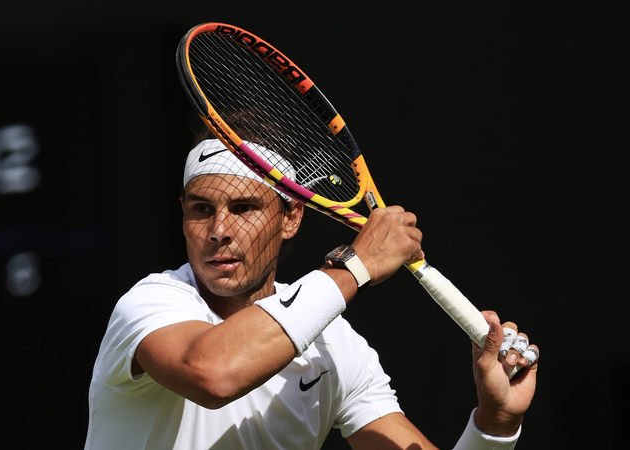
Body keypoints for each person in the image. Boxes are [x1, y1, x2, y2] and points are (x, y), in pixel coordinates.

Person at [84, 137, 539, 449]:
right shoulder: (149, 304)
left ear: (291, 217)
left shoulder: (337, 349)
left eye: (244, 208)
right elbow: (213, 374)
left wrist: (496, 424)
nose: (218, 231)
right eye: (202, 210)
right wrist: (355, 266)